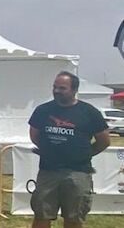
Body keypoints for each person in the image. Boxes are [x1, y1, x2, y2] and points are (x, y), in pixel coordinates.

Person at [29, 71, 111, 228]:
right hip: (48, 171)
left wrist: (84, 154)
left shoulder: (89, 112)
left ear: (74, 90)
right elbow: (34, 135)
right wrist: (50, 151)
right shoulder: (43, 110)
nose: (56, 91)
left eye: (62, 88)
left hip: (78, 172)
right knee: (41, 215)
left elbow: (104, 141)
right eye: (54, 87)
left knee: (74, 217)